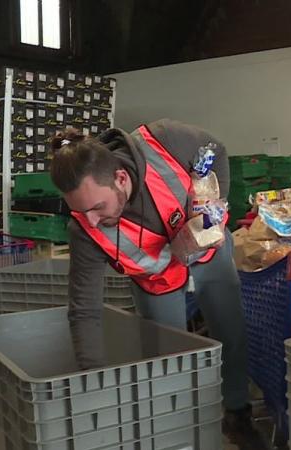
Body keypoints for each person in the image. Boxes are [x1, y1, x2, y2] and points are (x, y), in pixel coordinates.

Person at [49, 119, 267, 449]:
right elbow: (84, 311)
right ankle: (176, 430)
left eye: (97, 207)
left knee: (231, 333)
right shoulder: (84, 230)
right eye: (80, 211)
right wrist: (92, 382)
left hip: (207, 253)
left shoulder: (163, 141)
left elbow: (216, 150)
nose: (91, 221)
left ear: (120, 179)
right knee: (167, 358)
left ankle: (237, 414)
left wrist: (212, 209)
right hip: (156, 280)